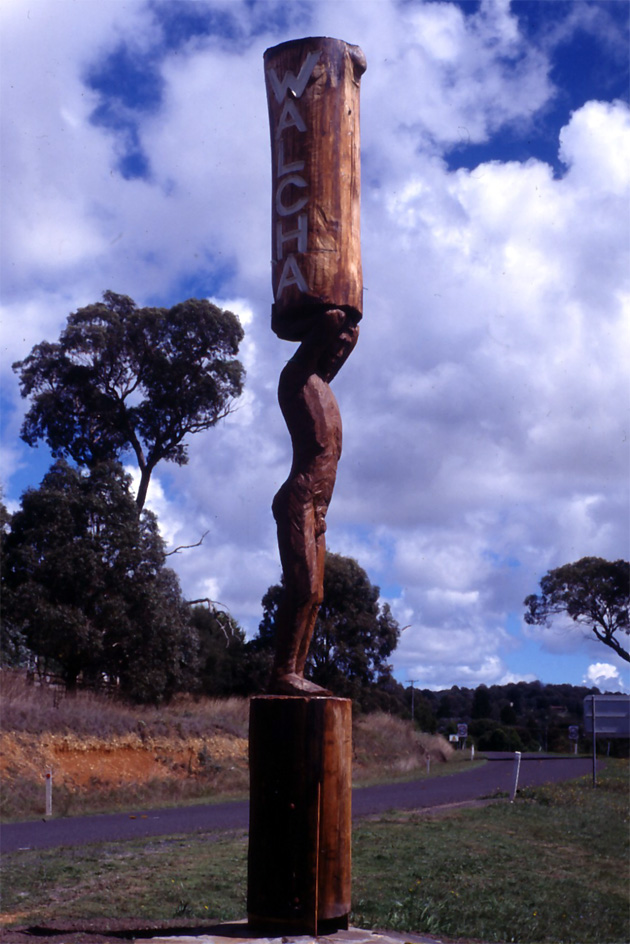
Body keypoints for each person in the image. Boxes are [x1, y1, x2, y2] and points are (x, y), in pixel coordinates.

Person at [268, 308, 359, 696]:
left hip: (320, 509)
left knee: (317, 595)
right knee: (302, 586)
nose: (339, 351)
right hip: (299, 497)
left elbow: (347, 332)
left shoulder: (325, 389)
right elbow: (331, 320)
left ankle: (297, 672)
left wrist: (349, 330)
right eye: (333, 346)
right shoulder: (296, 380)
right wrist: (338, 312)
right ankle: (283, 672)